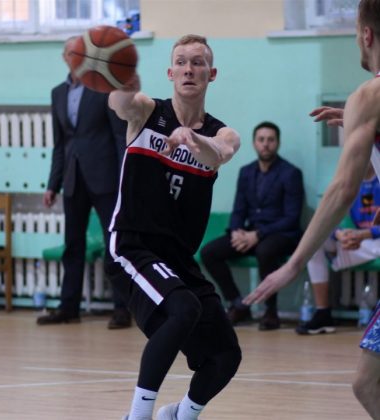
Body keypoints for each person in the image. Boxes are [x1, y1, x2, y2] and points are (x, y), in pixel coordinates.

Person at [244, 1, 380, 417]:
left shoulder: (370, 94)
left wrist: (294, 263)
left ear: (366, 35)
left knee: (368, 384)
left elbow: (342, 189)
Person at [107, 34, 242, 420]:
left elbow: (220, 153)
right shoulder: (147, 112)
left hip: (178, 259)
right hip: (133, 246)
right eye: (181, 62)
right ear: (170, 73)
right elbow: (120, 104)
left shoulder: (222, 133)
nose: (188, 69)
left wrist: (192, 138)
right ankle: (138, 415)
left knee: (226, 355)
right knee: (183, 308)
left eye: (197, 62)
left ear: (211, 74)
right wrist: (121, 79)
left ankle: (180, 415)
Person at [37, 37, 132, 329]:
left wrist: (125, 178)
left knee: (114, 244)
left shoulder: (104, 88)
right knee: (72, 245)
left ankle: (122, 309)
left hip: (105, 178)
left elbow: (119, 136)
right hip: (73, 179)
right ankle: (69, 308)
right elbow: (60, 144)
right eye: (71, 53)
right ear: (65, 58)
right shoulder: (57, 93)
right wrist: (52, 184)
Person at [200, 121, 304, 331]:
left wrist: (258, 234)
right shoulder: (246, 172)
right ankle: (238, 305)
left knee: (265, 251)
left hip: (281, 234)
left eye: (270, 140)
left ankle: (270, 312)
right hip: (251, 234)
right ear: (254, 143)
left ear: (277, 143)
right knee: (209, 252)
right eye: (261, 139)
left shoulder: (291, 173)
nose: (266, 144)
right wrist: (236, 232)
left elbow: (291, 218)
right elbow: (239, 209)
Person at [298, 163, 380, 335]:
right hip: (361, 242)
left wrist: (365, 234)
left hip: (374, 239)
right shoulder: (350, 183)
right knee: (314, 242)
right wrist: (340, 235)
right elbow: (328, 217)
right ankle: (323, 314)